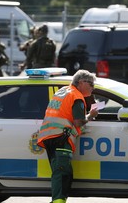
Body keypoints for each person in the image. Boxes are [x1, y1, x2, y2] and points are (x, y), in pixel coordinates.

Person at [37, 69, 98, 203]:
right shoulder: (77, 96)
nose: (93, 88)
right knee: (62, 174)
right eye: (91, 84)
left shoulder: (63, 91)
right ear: (81, 82)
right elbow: (78, 121)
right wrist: (91, 116)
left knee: (62, 172)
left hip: (49, 137)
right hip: (61, 138)